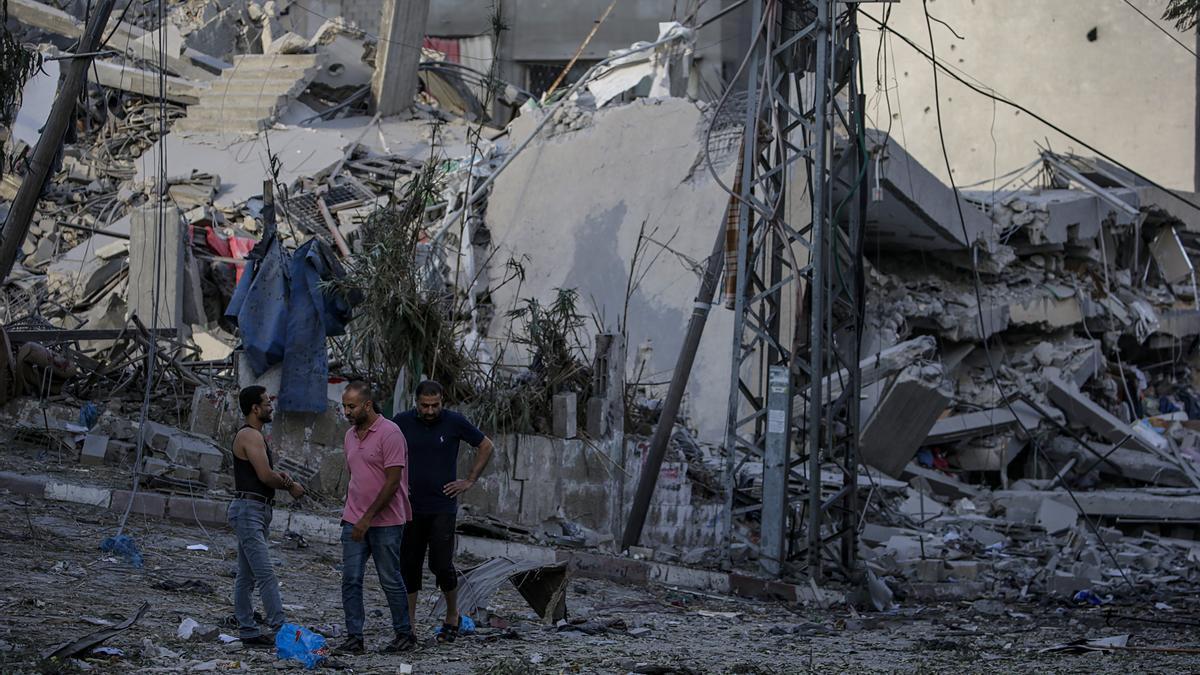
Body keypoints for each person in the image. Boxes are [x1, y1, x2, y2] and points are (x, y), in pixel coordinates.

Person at [393, 380, 494, 643]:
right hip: (410, 507)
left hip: (442, 507)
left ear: (442, 401)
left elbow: (486, 446)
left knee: (441, 565)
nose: (429, 411)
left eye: (435, 405)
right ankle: (410, 625)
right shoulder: (401, 422)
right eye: (424, 406)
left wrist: (469, 480)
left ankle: (452, 614)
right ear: (416, 402)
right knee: (409, 566)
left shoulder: (454, 421)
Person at [333, 381, 417, 655]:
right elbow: (357, 477)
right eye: (345, 405)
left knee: (390, 578)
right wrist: (353, 514)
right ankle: (354, 638)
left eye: (352, 406)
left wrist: (367, 518)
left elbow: (393, 483)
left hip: (386, 522)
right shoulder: (349, 436)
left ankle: (404, 634)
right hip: (354, 519)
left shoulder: (390, 433)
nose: (347, 411)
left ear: (367, 405)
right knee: (351, 579)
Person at [229, 385, 305, 646]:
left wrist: (279, 477)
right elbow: (264, 475)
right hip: (249, 510)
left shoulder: (254, 435)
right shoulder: (250, 435)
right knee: (265, 574)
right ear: (255, 408)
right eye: (267, 402)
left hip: (256, 510)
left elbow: (264, 474)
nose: (271, 406)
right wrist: (290, 486)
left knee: (247, 575)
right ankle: (280, 627)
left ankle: (248, 630)